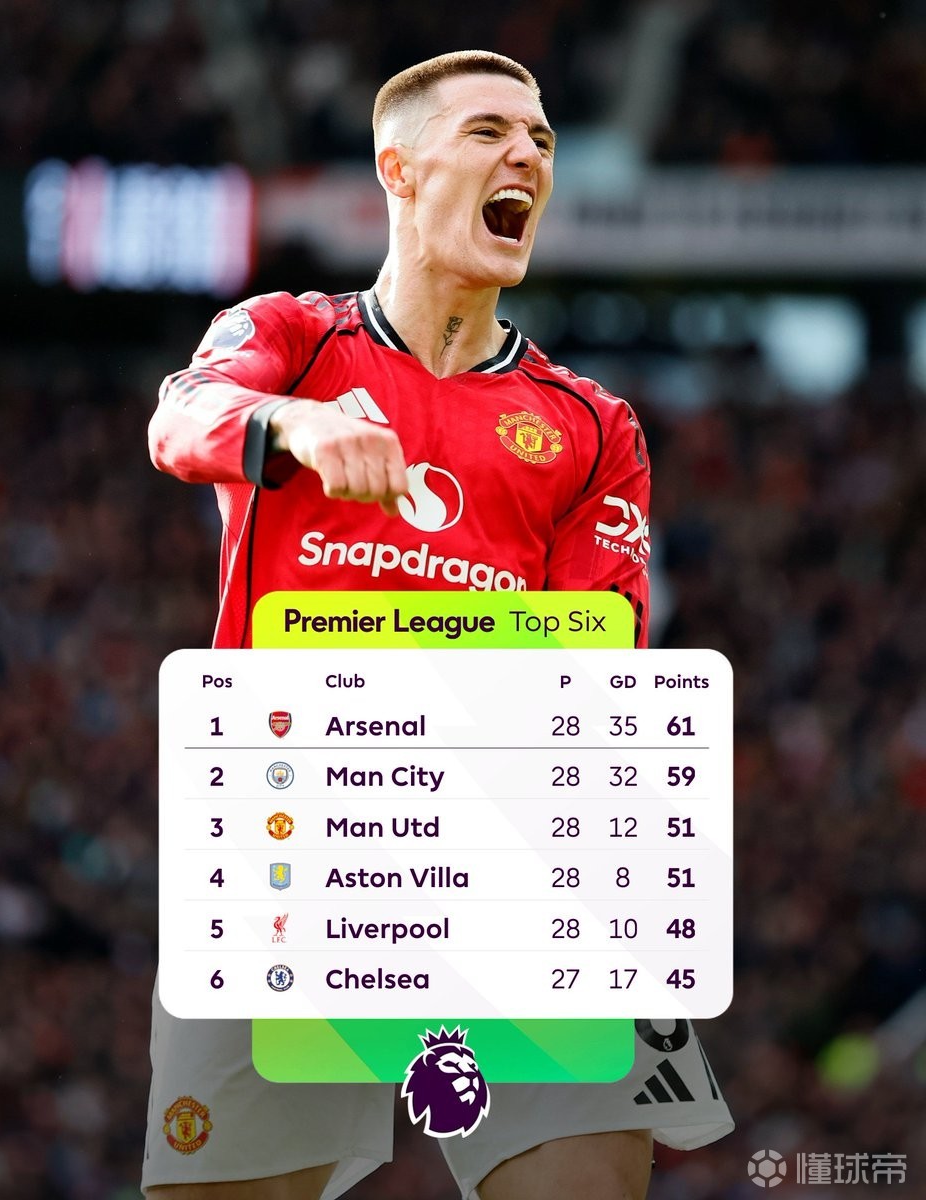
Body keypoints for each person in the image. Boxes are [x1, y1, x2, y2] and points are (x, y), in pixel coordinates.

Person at [145, 49, 733, 1200]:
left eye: (541, 140)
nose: (527, 156)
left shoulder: (592, 426)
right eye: (488, 132)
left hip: (506, 835)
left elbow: (596, 652)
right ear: (399, 170)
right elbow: (181, 418)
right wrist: (295, 429)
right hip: (283, 833)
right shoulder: (292, 338)